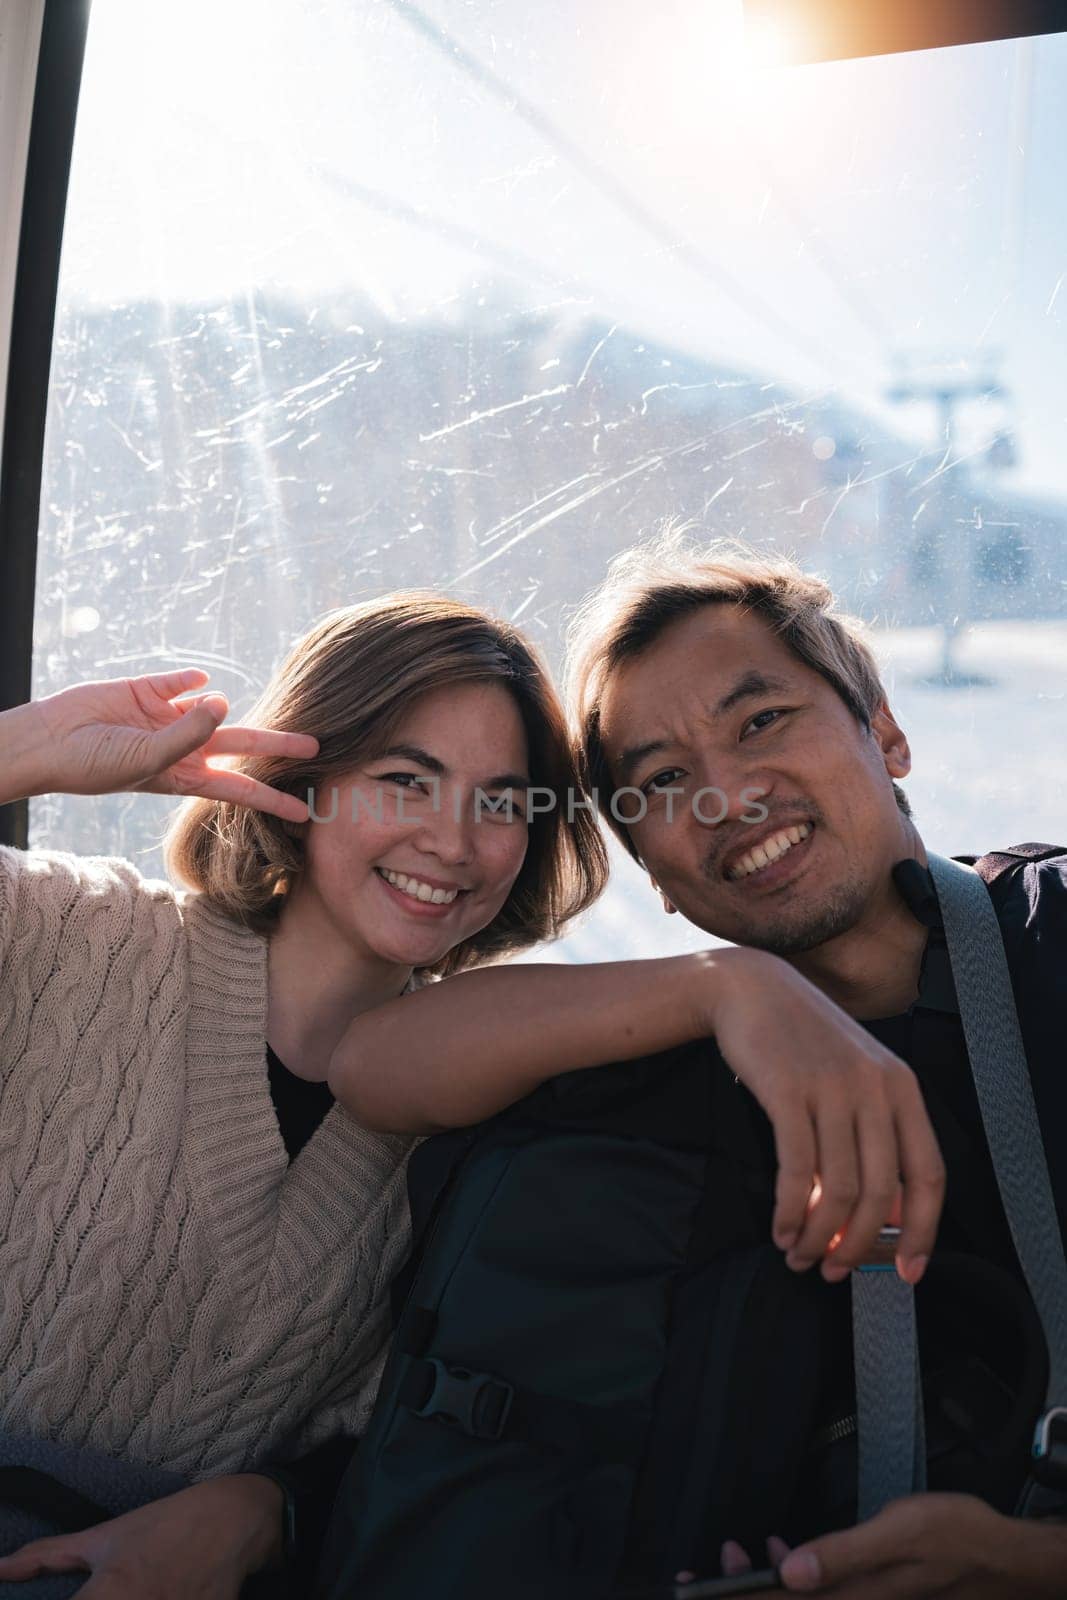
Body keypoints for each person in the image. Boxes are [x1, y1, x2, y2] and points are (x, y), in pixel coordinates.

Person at [319, 535, 1067, 1596]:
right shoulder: (673, 1049)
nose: (723, 795)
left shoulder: (1046, 935)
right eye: (662, 782)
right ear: (652, 875)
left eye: (760, 720)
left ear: (885, 732)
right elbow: (374, 1061)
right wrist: (724, 989)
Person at [0, 593, 608, 1596]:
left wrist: (267, 1509)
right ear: (306, 779)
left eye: (499, 801)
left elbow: (396, 1447)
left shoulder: (482, 1115)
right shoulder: (78, 935)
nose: (453, 842)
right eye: (406, 780)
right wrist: (28, 747)